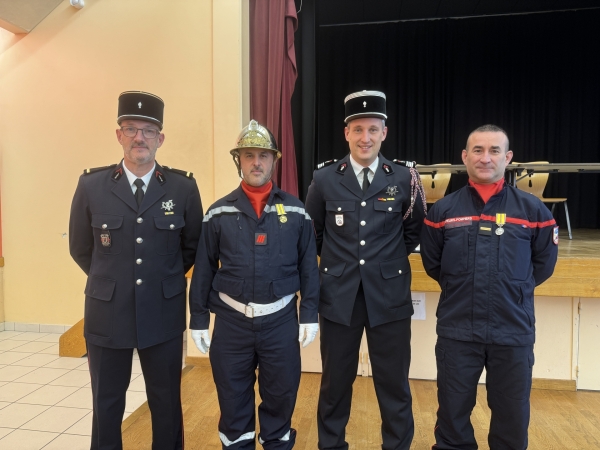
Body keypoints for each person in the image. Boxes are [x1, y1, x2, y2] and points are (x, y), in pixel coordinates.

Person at [69, 91, 203, 450]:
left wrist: (161, 281)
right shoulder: (91, 186)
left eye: (148, 130)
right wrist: (112, 280)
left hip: (162, 311)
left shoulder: (183, 187)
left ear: (160, 138)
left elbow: (191, 248)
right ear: (119, 135)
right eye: (130, 129)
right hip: (107, 313)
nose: (139, 138)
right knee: (107, 403)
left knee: (166, 402)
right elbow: (81, 248)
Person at [420, 124, 559, 450]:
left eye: (494, 150)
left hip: (512, 332)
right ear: (465, 157)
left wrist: (512, 290)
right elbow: (433, 264)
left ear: (508, 157)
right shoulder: (442, 211)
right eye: (478, 151)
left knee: (511, 422)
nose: (486, 158)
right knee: (452, 419)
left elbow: (543, 265)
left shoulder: (533, 211)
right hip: (457, 332)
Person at [305, 90, 426, 450]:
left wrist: (382, 265)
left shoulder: (404, 178)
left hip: (388, 298)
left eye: (373, 129)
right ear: (346, 133)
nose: (365, 138)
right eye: (358, 129)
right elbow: (313, 234)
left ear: (384, 132)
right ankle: (332, 445)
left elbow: (413, 231)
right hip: (339, 298)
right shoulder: (325, 179)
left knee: (394, 385)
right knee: (334, 384)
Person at [189, 119, 319, 449]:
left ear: (274, 160)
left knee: (281, 397)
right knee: (233, 402)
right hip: (231, 325)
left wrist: (309, 313)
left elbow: (308, 267)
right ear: (239, 161)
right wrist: (198, 318)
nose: (256, 162)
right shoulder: (217, 214)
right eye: (248, 155)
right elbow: (203, 268)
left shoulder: (296, 210)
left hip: (280, 322)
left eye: (263, 155)